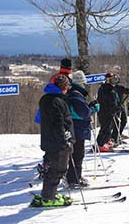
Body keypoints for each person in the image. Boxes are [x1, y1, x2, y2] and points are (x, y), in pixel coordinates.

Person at [31, 75, 75, 207]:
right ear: (63, 87)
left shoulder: (46, 99)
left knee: (53, 169)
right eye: (67, 86)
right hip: (58, 142)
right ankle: (49, 197)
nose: (68, 89)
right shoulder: (57, 101)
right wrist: (64, 142)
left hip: (49, 140)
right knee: (58, 170)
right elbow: (58, 124)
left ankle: (49, 194)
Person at [65, 70, 99, 188]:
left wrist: (89, 107)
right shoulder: (76, 94)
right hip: (78, 127)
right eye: (83, 83)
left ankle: (74, 176)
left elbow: (79, 110)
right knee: (78, 154)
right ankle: (74, 179)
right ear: (80, 83)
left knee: (75, 154)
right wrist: (93, 109)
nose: (84, 85)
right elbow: (83, 113)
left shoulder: (72, 93)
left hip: (75, 126)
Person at [96, 73, 122, 152]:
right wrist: (115, 107)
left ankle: (105, 142)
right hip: (105, 111)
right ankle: (100, 144)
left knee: (109, 127)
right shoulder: (107, 89)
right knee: (105, 128)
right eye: (112, 79)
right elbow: (109, 101)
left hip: (108, 111)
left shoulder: (108, 88)